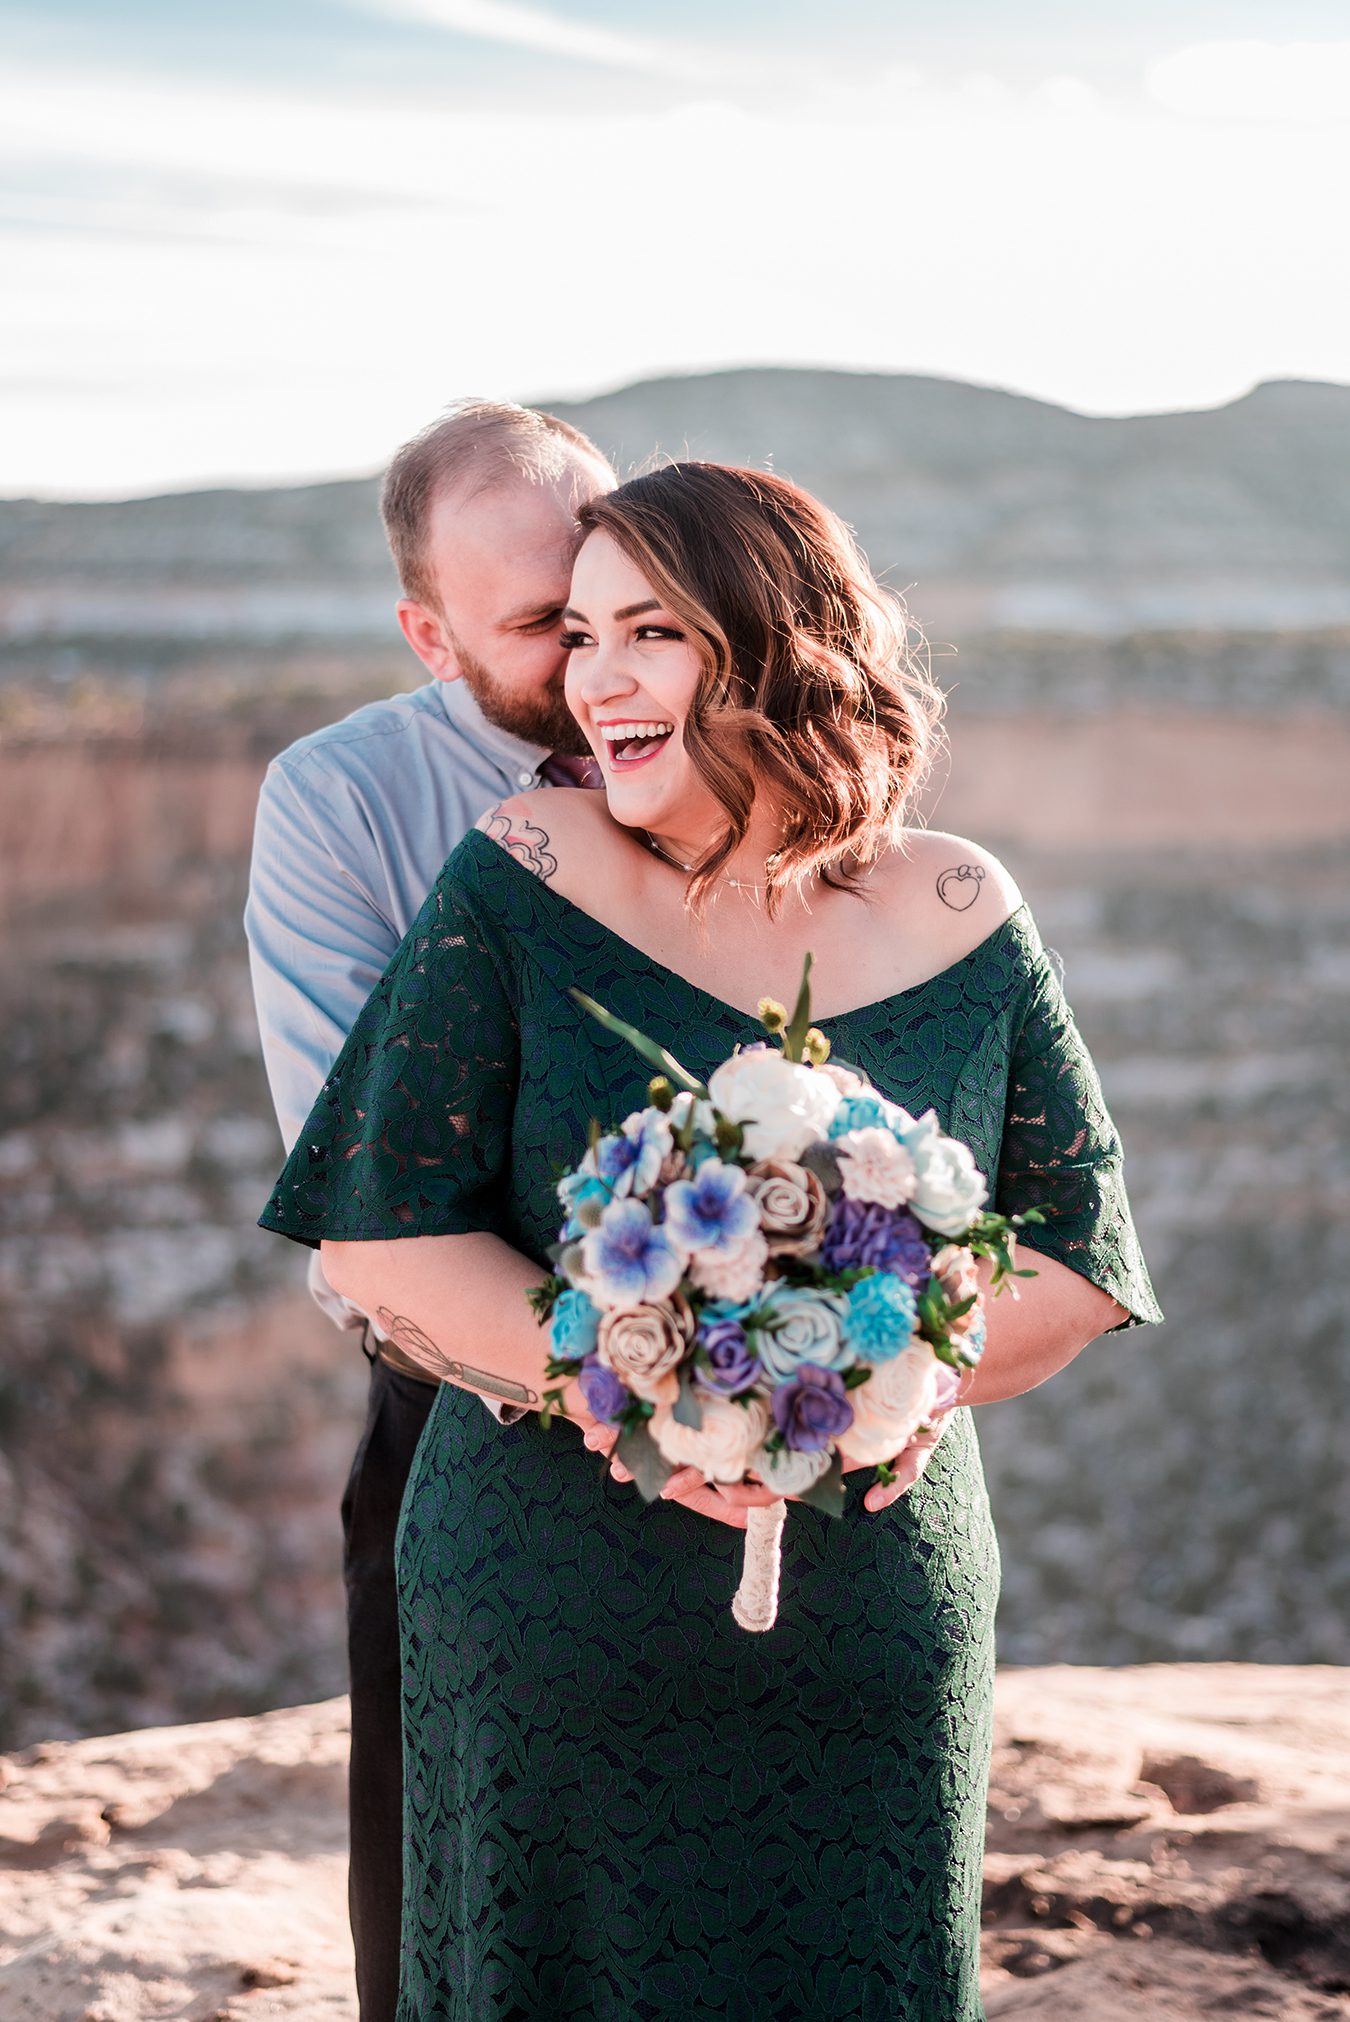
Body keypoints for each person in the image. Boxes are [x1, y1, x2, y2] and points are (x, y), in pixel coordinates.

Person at [261, 461, 1162, 2021]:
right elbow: (378, 1237)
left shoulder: (957, 901)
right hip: (552, 1620)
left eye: (649, 633)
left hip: (869, 1628)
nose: (592, 677)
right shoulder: (519, 871)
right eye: (578, 633)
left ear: (772, 647)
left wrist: (913, 1377)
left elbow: (1077, 1260)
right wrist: (638, 1384)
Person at [244, 400, 618, 2022]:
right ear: (429, 629)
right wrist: (615, 1364)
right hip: (461, 1415)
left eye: (615, 597)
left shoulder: (722, 740)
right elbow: (364, 1193)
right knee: (444, 1892)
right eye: (541, 625)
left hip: (762, 1403)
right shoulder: (340, 802)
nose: (592, 655)